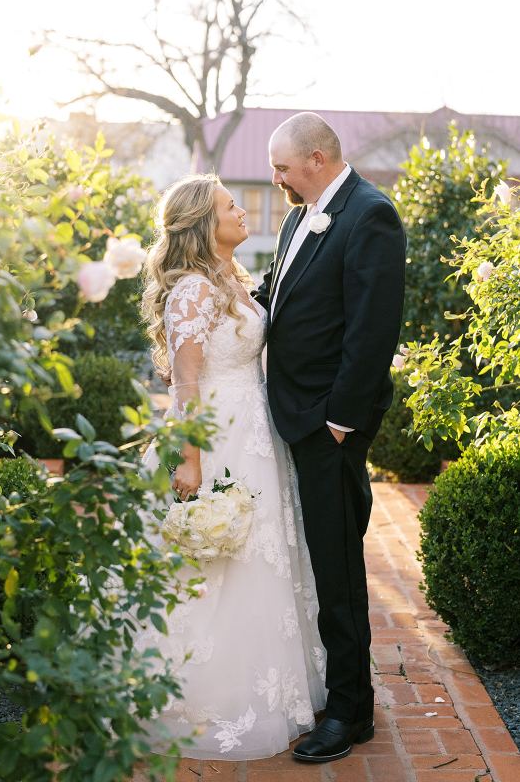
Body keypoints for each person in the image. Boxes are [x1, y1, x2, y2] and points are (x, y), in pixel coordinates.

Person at [138, 174, 326, 760]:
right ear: (203, 224)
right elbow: (185, 381)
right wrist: (190, 461)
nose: (245, 212)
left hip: (256, 429)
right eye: (231, 206)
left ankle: (268, 683)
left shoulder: (232, 279)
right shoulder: (191, 291)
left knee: (257, 554)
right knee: (210, 560)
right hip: (215, 436)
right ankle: (201, 695)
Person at [253, 112, 406, 763]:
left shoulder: (371, 215)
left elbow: (373, 329)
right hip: (295, 416)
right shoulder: (300, 215)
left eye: (282, 168)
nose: (277, 179)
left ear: (316, 158)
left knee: (337, 569)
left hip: (327, 427)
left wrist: (340, 422)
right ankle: (342, 695)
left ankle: (349, 713)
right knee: (320, 561)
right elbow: (283, 295)